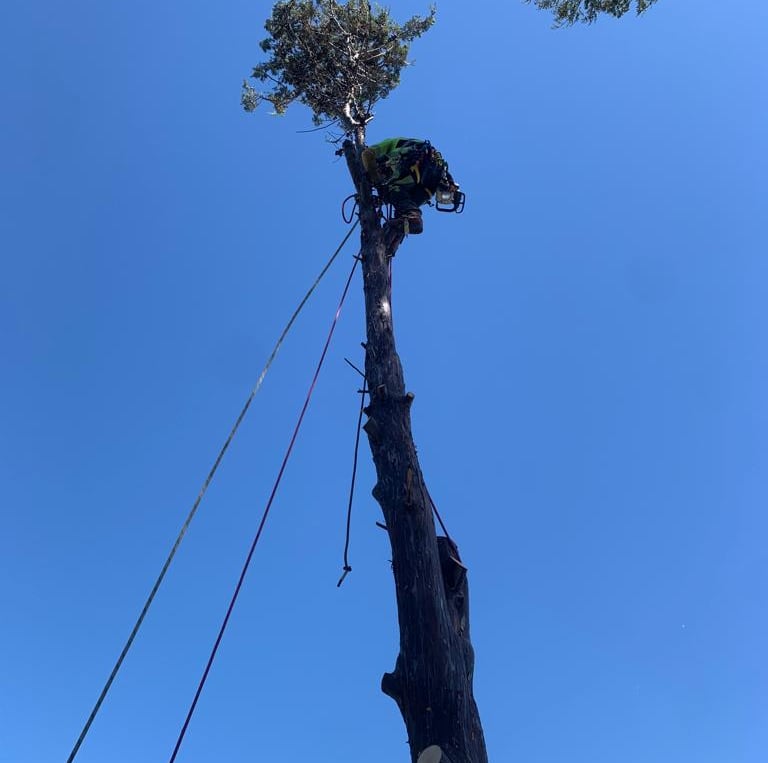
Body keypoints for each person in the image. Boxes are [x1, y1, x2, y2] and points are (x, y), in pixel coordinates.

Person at [361, 138, 461, 234]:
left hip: (412, 165)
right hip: (428, 185)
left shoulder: (392, 144)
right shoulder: (432, 157)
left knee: (392, 191)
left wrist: (377, 182)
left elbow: (367, 154)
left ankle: (411, 220)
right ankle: (394, 235)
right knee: (403, 212)